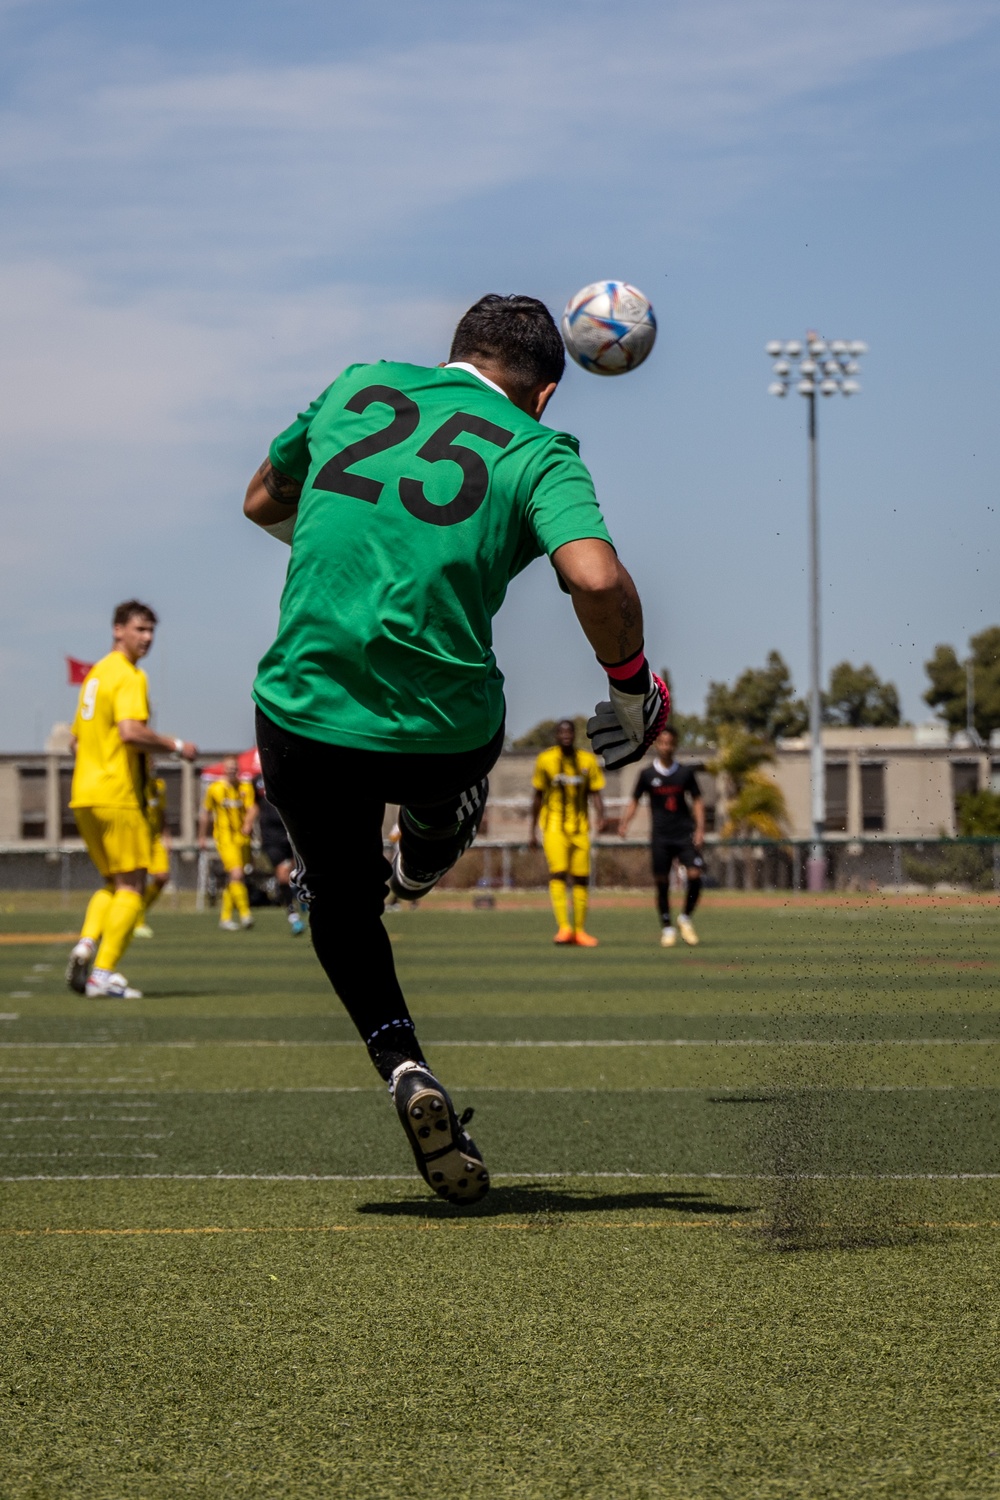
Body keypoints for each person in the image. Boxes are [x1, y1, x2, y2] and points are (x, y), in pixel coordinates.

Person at [244, 293, 669, 1206]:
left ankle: (400, 1061)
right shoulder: (537, 445)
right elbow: (594, 576)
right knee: (451, 771)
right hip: (436, 738)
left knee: (340, 901)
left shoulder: (357, 386)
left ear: (455, 353)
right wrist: (632, 688)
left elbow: (260, 501)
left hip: (298, 717)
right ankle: (429, 847)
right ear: (545, 394)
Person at [65, 601, 197, 999]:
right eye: (140, 629)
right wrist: (176, 745)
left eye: (151, 631)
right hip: (116, 794)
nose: (147, 638)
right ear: (117, 629)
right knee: (133, 886)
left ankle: (87, 943)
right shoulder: (128, 675)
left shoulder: (95, 676)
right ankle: (103, 973)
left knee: (114, 882)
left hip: (83, 794)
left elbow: (75, 742)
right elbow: (129, 731)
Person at [618, 726, 705, 947]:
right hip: (661, 837)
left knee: (695, 875)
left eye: (670, 743)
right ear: (657, 744)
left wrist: (700, 829)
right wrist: (625, 823)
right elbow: (635, 800)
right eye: (663, 743)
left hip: (684, 835)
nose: (666, 747)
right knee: (662, 882)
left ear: (675, 745)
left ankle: (684, 918)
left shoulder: (685, 773)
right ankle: (667, 927)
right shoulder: (647, 774)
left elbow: (697, 800)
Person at [529, 719, 605, 946]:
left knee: (581, 879)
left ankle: (579, 931)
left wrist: (601, 816)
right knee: (559, 874)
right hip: (553, 827)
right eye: (561, 732)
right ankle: (564, 928)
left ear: (574, 735)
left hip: (581, 828)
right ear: (556, 735)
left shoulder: (587, 761)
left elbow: (596, 793)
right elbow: (537, 796)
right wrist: (531, 831)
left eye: (569, 732)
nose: (566, 736)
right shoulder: (545, 760)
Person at [198, 756, 256, 931]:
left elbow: (252, 808)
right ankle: (246, 914)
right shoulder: (215, 788)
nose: (232, 771)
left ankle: (225, 918)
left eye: (235, 768)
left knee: (236, 878)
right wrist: (202, 836)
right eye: (229, 768)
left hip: (242, 839)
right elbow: (206, 812)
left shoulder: (245, 788)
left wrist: (248, 823)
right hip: (224, 839)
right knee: (237, 874)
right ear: (224, 769)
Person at [250, 775, 306, 935]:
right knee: (282, 875)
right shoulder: (257, 780)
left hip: (291, 832)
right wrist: (248, 823)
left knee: (296, 871)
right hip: (271, 837)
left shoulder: (287, 772)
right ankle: (293, 916)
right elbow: (254, 805)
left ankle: (302, 898)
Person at [133, 771, 171, 939]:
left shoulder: (159, 785)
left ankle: (133, 913)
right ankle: (139, 922)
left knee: (162, 877)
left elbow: (161, 813)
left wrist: (167, 835)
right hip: (136, 837)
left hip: (155, 839)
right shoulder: (132, 783)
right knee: (138, 881)